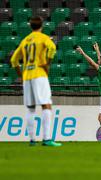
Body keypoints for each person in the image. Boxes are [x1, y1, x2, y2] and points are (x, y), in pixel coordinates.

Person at [10, 16, 61, 146]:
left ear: (30, 26)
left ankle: (32, 140)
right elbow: (52, 48)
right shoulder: (43, 38)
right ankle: (47, 139)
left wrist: (21, 75)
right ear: (41, 26)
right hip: (39, 74)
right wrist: (47, 64)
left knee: (30, 108)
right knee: (46, 105)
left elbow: (14, 60)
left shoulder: (25, 41)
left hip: (27, 76)